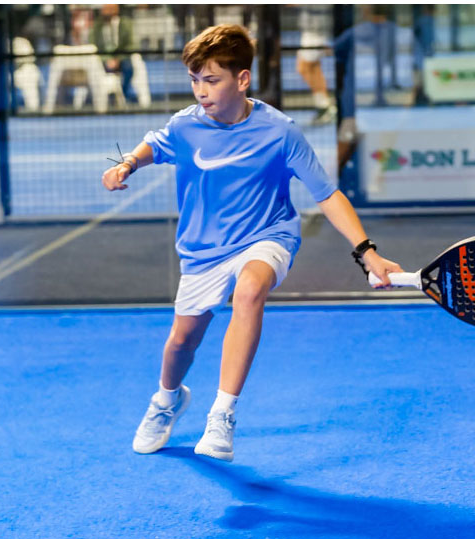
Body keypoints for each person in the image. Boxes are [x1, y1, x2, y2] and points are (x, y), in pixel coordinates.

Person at [102, 24, 402, 462]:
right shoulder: (185, 126)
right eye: (195, 80)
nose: (201, 91)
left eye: (211, 80)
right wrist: (127, 164)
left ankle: (222, 414)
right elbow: (154, 144)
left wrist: (367, 252)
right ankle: (167, 399)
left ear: (242, 79)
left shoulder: (280, 132)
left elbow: (327, 194)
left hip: (267, 235)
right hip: (203, 250)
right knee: (182, 342)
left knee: (249, 290)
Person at [295, 6, 335, 126]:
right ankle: (324, 106)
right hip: (311, 30)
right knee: (312, 68)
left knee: (305, 68)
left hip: (316, 32)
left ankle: (325, 106)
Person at [91, 4, 137, 104]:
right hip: (103, 59)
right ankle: (105, 99)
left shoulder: (125, 24)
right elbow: (93, 45)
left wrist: (118, 59)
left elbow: (130, 45)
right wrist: (106, 59)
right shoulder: (97, 26)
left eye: (110, 9)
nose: (106, 12)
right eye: (105, 9)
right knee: (95, 71)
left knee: (129, 68)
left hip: (121, 57)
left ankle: (123, 94)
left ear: (116, 10)